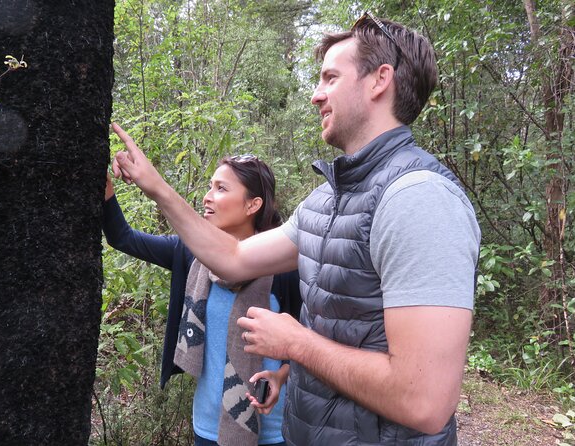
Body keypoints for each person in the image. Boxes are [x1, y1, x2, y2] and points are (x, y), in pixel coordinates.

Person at [111, 12, 480, 445]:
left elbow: (425, 402)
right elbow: (231, 257)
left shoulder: (419, 199)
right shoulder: (325, 200)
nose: (315, 95)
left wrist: (296, 344)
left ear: (380, 80)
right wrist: (157, 188)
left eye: (329, 78)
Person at [103, 155, 301, 446]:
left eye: (221, 189)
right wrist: (104, 184)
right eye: (210, 187)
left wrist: (282, 374)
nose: (207, 197)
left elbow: (306, 338)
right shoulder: (188, 253)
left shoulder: (283, 267)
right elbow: (123, 238)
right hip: (207, 426)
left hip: (273, 430)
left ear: (252, 204)